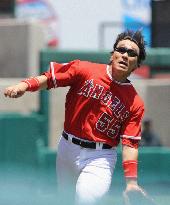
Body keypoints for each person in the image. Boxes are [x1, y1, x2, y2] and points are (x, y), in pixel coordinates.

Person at [4, 30, 148, 205]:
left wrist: (132, 182)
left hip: (100, 156)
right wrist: (24, 85)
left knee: (86, 200)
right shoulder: (85, 70)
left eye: (132, 53)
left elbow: (130, 144)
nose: (125, 55)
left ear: (136, 65)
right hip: (67, 148)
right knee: (64, 200)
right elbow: (51, 78)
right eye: (121, 50)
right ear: (113, 54)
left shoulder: (135, 102)